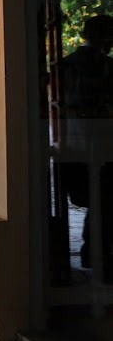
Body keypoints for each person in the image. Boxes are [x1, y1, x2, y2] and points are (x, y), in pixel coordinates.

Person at [60, 15, 113, 277]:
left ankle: (91, 252)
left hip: (72, 145)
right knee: (105, 200)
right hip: (104, 144)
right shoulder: (107, 67)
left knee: (94, 198)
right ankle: (99, 254)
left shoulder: (64, 66)